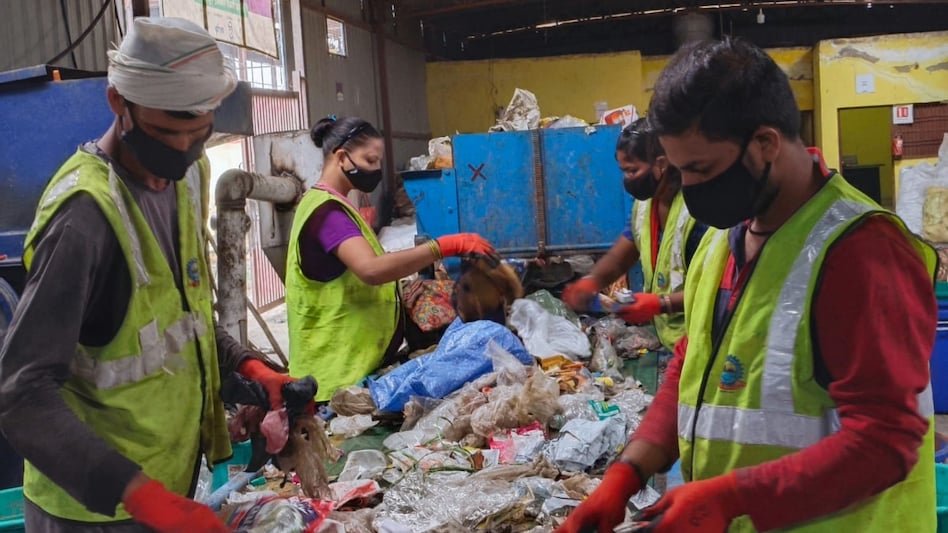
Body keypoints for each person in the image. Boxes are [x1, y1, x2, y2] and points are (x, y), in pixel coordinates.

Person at [556, 37, 937, 533]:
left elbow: (886, 442)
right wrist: (627, 473)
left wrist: (731, 497)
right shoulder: (725, 238)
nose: (691, 189)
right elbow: (692, 367)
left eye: (702, 169)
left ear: (765, 144)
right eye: (680, 170)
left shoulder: (861, 252)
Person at [0, 17, 311, 532]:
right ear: (118, 102)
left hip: (167, 485)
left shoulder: (189, 176)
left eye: (199, 133)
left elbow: (181, 322)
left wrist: (252, 369)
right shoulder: (84, 217)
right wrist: (142, 497)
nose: (182, 147)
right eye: (166, 133)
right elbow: (21, 393)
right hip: (93, 510)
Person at [286, 116, 497, 403]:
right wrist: (445, 246)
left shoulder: (335, 205)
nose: (376, 170)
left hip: (354, 367)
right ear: (342, 157)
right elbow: (371, 270)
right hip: (334, 378)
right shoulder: (327, 214)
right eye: (370, 160)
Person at [561, 118, 707, 351]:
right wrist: (591, 282)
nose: (627, 180)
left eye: (632, 171)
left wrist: (661, 304)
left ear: (661, 164)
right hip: (672, 342)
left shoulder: (698, 212)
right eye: (624, 172)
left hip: (702, 339)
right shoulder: (645, 206)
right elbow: (621, 256)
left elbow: (716, 290)